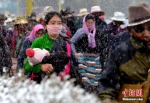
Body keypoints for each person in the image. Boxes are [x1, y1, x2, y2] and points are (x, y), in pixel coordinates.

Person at [97, 2, 150, 102]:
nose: (146, 34)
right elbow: (105, 88)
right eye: (139, 29)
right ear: (130, 30)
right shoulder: (120, 54)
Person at [24, 11, 70, 83]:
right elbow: (27, 66)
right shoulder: (38, 42)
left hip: (59, 84)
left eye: (59, 23)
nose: (56, 26)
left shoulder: (65, 44)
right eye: (53, 23)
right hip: (41, 84)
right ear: (45, 25)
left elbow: (68, 66)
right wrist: (41, 67)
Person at [71, 14, 109, 92]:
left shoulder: (98, 33)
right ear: (84, 23)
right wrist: (75, 53)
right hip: (84, 60)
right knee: (85, 80)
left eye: (91, 23)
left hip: (96, 60)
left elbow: (103, 46)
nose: (90, 24)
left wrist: (103, 58)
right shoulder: (81, 32)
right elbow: (72, 42)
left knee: (96, 80)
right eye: (88, 23)